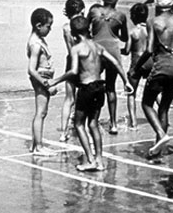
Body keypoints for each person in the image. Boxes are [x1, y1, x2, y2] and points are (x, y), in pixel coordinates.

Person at [50, 16, 133, 172]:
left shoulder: (76, 48)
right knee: (93, 123)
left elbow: (73, 71)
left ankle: (90, 159)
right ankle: (99, 160)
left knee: (79, 124)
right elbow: (115, 62)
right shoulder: (97, 46)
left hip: (86, 88)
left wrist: (56, 81)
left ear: (74, 34)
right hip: (100, 87)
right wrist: (126, 81)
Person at [142, 0, 173, 157]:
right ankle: (160, 146)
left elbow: (149, 49)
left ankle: (161, 134)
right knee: (164, 107)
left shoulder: (154, 21)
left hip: (162, 66)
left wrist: (137, 68)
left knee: (146, 103)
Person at [88, 0, 128, 135]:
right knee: (110, 87)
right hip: (112, 52)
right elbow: (124, 37)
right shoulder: (120, 16)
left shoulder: (94, 12)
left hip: (96, 50)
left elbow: (86, 29)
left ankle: (93, 119)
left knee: (93, 84)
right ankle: (113, 123)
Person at [26, 8, 57, 156]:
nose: (50, 29)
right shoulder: (36, 44)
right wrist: (47, 85)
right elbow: (31, 69)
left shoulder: (39, 41)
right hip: (41, 79)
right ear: (39, 25)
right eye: (48, 26)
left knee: (42, 112)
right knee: (40, 112)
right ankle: (38, 146)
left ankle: (36, 144)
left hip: (44, 77)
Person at [59, 0, 85, 142]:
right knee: (84, 98)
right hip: (82, 62)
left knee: (69, 99)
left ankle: (63, 133)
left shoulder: (66, 27)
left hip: (70, 61)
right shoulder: (84, 25)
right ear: (82, 11)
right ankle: (83, 127)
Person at [123, 2, 149, 130]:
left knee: (131, 92)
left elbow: (127, 50)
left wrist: (119, 50)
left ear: (133, 16)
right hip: (149, 62)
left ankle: (133, 123)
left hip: (136, 62)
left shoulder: (133, 31)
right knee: (154, 92)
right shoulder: (150, 30)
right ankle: (162, 115)